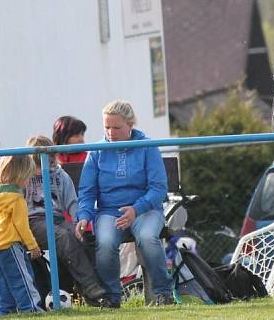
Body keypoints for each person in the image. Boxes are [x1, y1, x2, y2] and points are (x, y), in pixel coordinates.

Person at [74, 100, 172, 306]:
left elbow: (158, 188)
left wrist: (136, 209)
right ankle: (112, 297)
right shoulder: (96, 152)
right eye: (106, 127)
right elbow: (87, 191)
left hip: (145, 210)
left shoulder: (147, 147)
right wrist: (84, 215)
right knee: (106, 243)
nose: (111, 132)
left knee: (147, 238)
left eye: (116, 127)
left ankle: (163, 293)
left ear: (130, 125)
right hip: (110, 212)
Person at [24, 135, 109, 306]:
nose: (41, 170)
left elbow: (72, 202)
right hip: (34, 221)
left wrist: (80, 222)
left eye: (45, 163)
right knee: (63, 237)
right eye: (37, 165)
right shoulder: (24, 177)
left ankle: (92, 296)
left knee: (82, 239)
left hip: (58, 218)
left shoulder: (60, 175)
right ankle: (92, 287)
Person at [0, 155, 44, 315]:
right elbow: (22, 226)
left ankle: (4, 309)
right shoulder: (16, 199)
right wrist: (33, 246)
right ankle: (30, 307)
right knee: (21, 279)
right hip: (10, 243)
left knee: (2, 282)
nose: (28, 181)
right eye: (27, 178)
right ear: (20, 177)